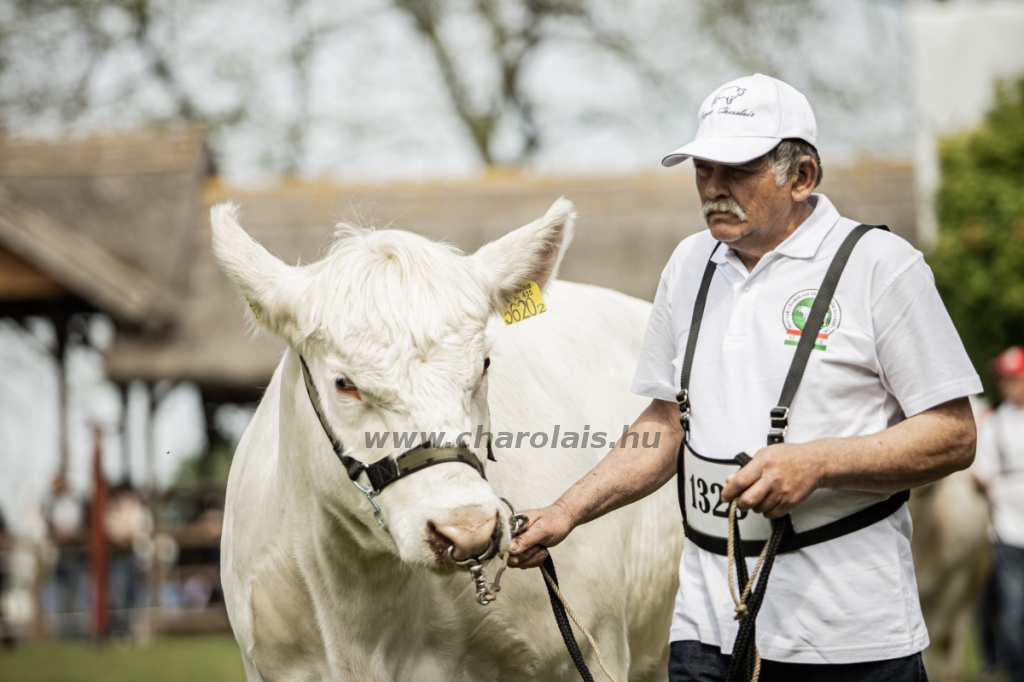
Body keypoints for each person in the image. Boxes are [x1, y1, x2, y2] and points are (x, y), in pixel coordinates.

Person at [508, 74, 981, 681]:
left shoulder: (880, 267)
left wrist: (819, 462)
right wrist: (567, 510)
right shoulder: (687, 266)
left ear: (802, 176)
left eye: (737, 170)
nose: (713, 188)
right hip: (705, 634)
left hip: (849, 636)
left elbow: (954, 434)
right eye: (703, 169)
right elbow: (666, 422)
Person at [974, 346, 1024, 682]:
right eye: (1005, 380)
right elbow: (982, 474)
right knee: (1014, 612)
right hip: (1009, 530)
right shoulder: (993, 423)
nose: (1009, 386)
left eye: (1015, 378)